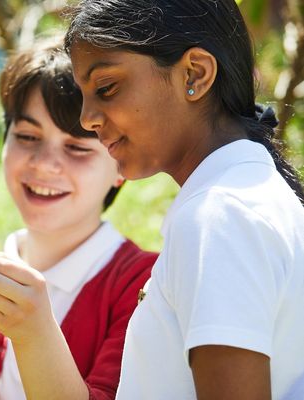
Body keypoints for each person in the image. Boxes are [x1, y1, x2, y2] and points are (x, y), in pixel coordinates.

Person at [65, 0, 304, 399]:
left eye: (106, 88)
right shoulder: (246, 198)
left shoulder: (221, 217)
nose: (87, 118)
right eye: (85, 96)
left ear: (195, 73)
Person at [0, 40, 157, 400]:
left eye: (77, 148)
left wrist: (35, 334)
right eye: (27, 136)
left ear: (121, 165)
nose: (43, 163)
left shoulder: (147, 284)